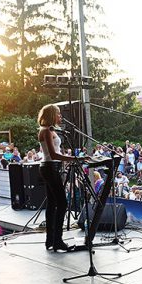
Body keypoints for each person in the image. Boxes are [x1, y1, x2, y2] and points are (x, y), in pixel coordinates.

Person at [37, 104, 83, 252]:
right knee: (62, 203)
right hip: (50, 167)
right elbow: (54, 154)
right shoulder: (46, 132)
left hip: (51, 166)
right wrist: (74, 159)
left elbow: (57, 152)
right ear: (51, 115)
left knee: (52, 204)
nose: (60, 116)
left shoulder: (50, 130)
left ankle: (50, 240)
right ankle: (57, 240)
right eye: (58, 114)